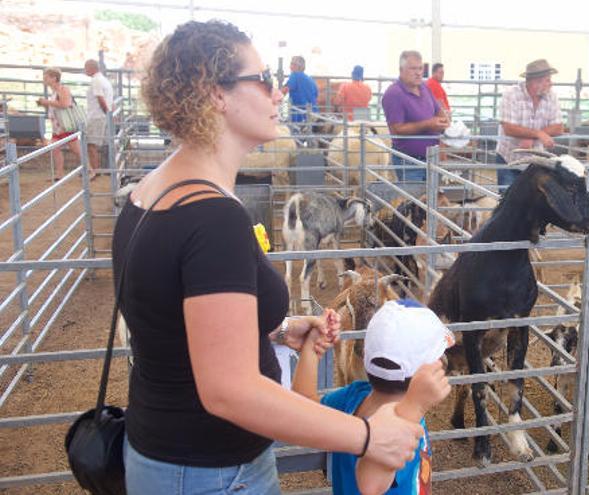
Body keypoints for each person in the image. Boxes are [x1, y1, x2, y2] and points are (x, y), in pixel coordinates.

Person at [116, 20, 423, 494]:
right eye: (263, 80)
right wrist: (366, 436)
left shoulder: (152, 192)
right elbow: (229, 391)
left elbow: (175, 327)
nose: (278, 93)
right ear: (215, 93)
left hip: (164, 452)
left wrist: (275, 330)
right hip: (214, 471)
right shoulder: (212, 217)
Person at [292, 299, 452, 495]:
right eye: (439, 355)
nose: (443, 361)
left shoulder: (355, 396)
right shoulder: (403, 425)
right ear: (424, 373)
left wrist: (311, 347)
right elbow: (371, 484)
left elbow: (303, 405)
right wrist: (413, 408)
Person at [381, 50, 449, 182]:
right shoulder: (394, 94)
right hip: (409, 161)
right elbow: (396, 129)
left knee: (431, 200)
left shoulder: (424, 87)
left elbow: (438, 109)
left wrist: (444, 120)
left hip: (432, 159)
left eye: (420, 68)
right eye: (413, 68)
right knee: (414, 200)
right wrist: (428, 124)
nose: (418, 72)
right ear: (401, 70)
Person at [495, 59, 563, 187]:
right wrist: (538, 134)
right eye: (547, 80)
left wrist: (534, 135)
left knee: (531, 202)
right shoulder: (511, 94)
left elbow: (558, 127)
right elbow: (509, 128)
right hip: (509, 157)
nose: (551, 84)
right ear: (535, 82)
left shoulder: (551, 96)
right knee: (507, 199)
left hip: (536, 160)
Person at [36, 68, 83, 181]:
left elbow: (65, 104)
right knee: (56, 149)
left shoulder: (63, 89)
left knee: (76, 150)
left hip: (65, 126)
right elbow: (58, 105)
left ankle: (89, 170)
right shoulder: (55, 91)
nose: (44, 80)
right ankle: (59, 174)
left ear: (54, 78)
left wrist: (46, 102)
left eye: (46, 77)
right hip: (58, 126)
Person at [84, 59, 114, 179]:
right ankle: (100, 169)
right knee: (98, 144)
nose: (85, 70)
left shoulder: (96, 80)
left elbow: (100, 98)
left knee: (91, 144)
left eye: (86, 68)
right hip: (102, 115)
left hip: (96, 115)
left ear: (91, 68)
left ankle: (94, 171)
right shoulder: (104, 80)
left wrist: (106, 111)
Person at [281, 55, 318, 125]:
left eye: (292, 64)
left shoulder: (294, 75)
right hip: (314, 115)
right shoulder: (310, 79)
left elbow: (284, 91)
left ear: (297, 66)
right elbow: (316, 95)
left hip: (299, 117)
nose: (290, 66)